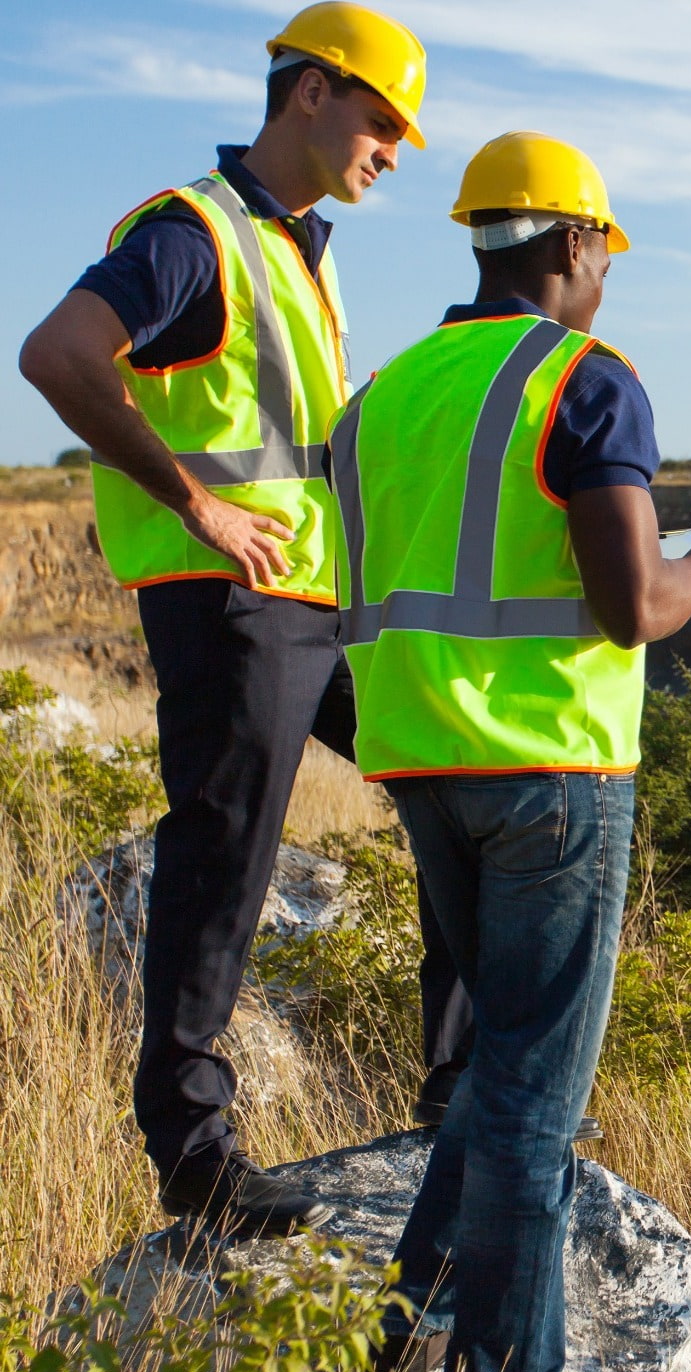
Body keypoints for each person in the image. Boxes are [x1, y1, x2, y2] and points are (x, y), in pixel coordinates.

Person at [328, 131, 691, 1372]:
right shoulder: (587, 381)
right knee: (531, 1106)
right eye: (603, 256)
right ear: (576, 244)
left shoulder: (386, 396)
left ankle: (387, 1345)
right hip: (553, 773)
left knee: (491, 1080)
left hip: (421, 767)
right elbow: (632, 603)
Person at [19, 2, 429, 1237]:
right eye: (381, 117)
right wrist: (194, 503)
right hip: (236, 602)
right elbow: (55, 353)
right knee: (222, 859)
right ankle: (195, 1155)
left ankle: (466, 1090)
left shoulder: (299, 244)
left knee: (459, 777)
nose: (394, 149)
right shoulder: (192, 233)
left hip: (316, 597)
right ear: (310, 93)